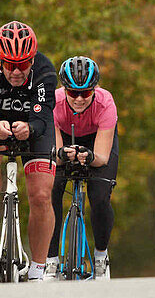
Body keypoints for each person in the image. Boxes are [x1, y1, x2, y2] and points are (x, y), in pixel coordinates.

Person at [0, 20, 57, 282]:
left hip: (34, 127)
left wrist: (29, 129)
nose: (17, 71)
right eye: (10, 65)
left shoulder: (45, 72)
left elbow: (43, 120)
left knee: (41, 195)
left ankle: (38, 270)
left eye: (23, 64)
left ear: (32, 59)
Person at [45, 56, 118, 280]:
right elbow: (55, 156)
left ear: (94, 90)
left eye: (85, 93)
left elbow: (103, 158)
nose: (78, 99)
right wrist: (63, 154)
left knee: (100, 197)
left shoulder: (105, 103)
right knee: (51, 190)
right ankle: (50, 261)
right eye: (72, 93)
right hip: (64, 140)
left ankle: (100, 257)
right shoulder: (53, 102)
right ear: (63, 89)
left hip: (97, 143)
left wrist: (88, 156)